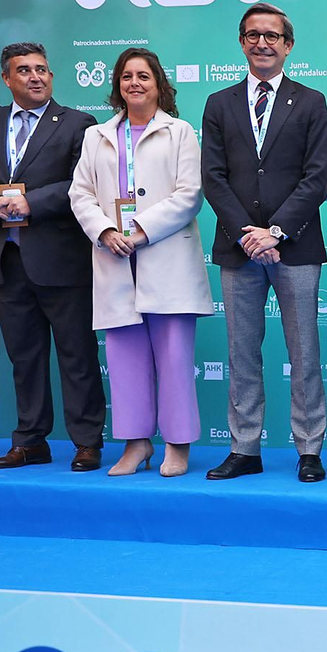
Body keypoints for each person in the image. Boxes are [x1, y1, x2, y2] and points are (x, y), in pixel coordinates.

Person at [200, 2, 327, 483]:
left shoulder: (312, 101)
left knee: (305, 353)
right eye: (253, 35)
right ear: (241, 43)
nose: (263, 43)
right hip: (239, 248)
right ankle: (245, 447)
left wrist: (275, 231)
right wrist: (248, 235)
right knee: (242, 352)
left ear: (288, 45)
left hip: (294, 246)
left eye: (272, 36)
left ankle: (309, 449)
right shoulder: (219, 103)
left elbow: (318, 176)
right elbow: (213, 178)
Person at [0, 42, 102, 471]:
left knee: (77, 356)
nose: (36, 77)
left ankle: (87, 441)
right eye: (24, 70)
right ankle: (31, 440)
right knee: (24, 357)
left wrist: (31, 203)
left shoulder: (78, 124)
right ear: (7, 79)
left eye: (42, 69)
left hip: (61, 259)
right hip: (6, 258)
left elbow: (83, 182)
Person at [69, 48, 210, 478]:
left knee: (173, 358)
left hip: (164, 256)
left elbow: (190, 195)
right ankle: (135, 443)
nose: (135, 83)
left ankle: (177, 444)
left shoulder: (180, 132)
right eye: (127, 76)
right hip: (114, 259)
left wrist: (141, 230)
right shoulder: (97, 136)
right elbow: (80, 193)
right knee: (124, 360)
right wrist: (105, 231)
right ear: (117, 85)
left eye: (144, 76)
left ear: (158, 84)